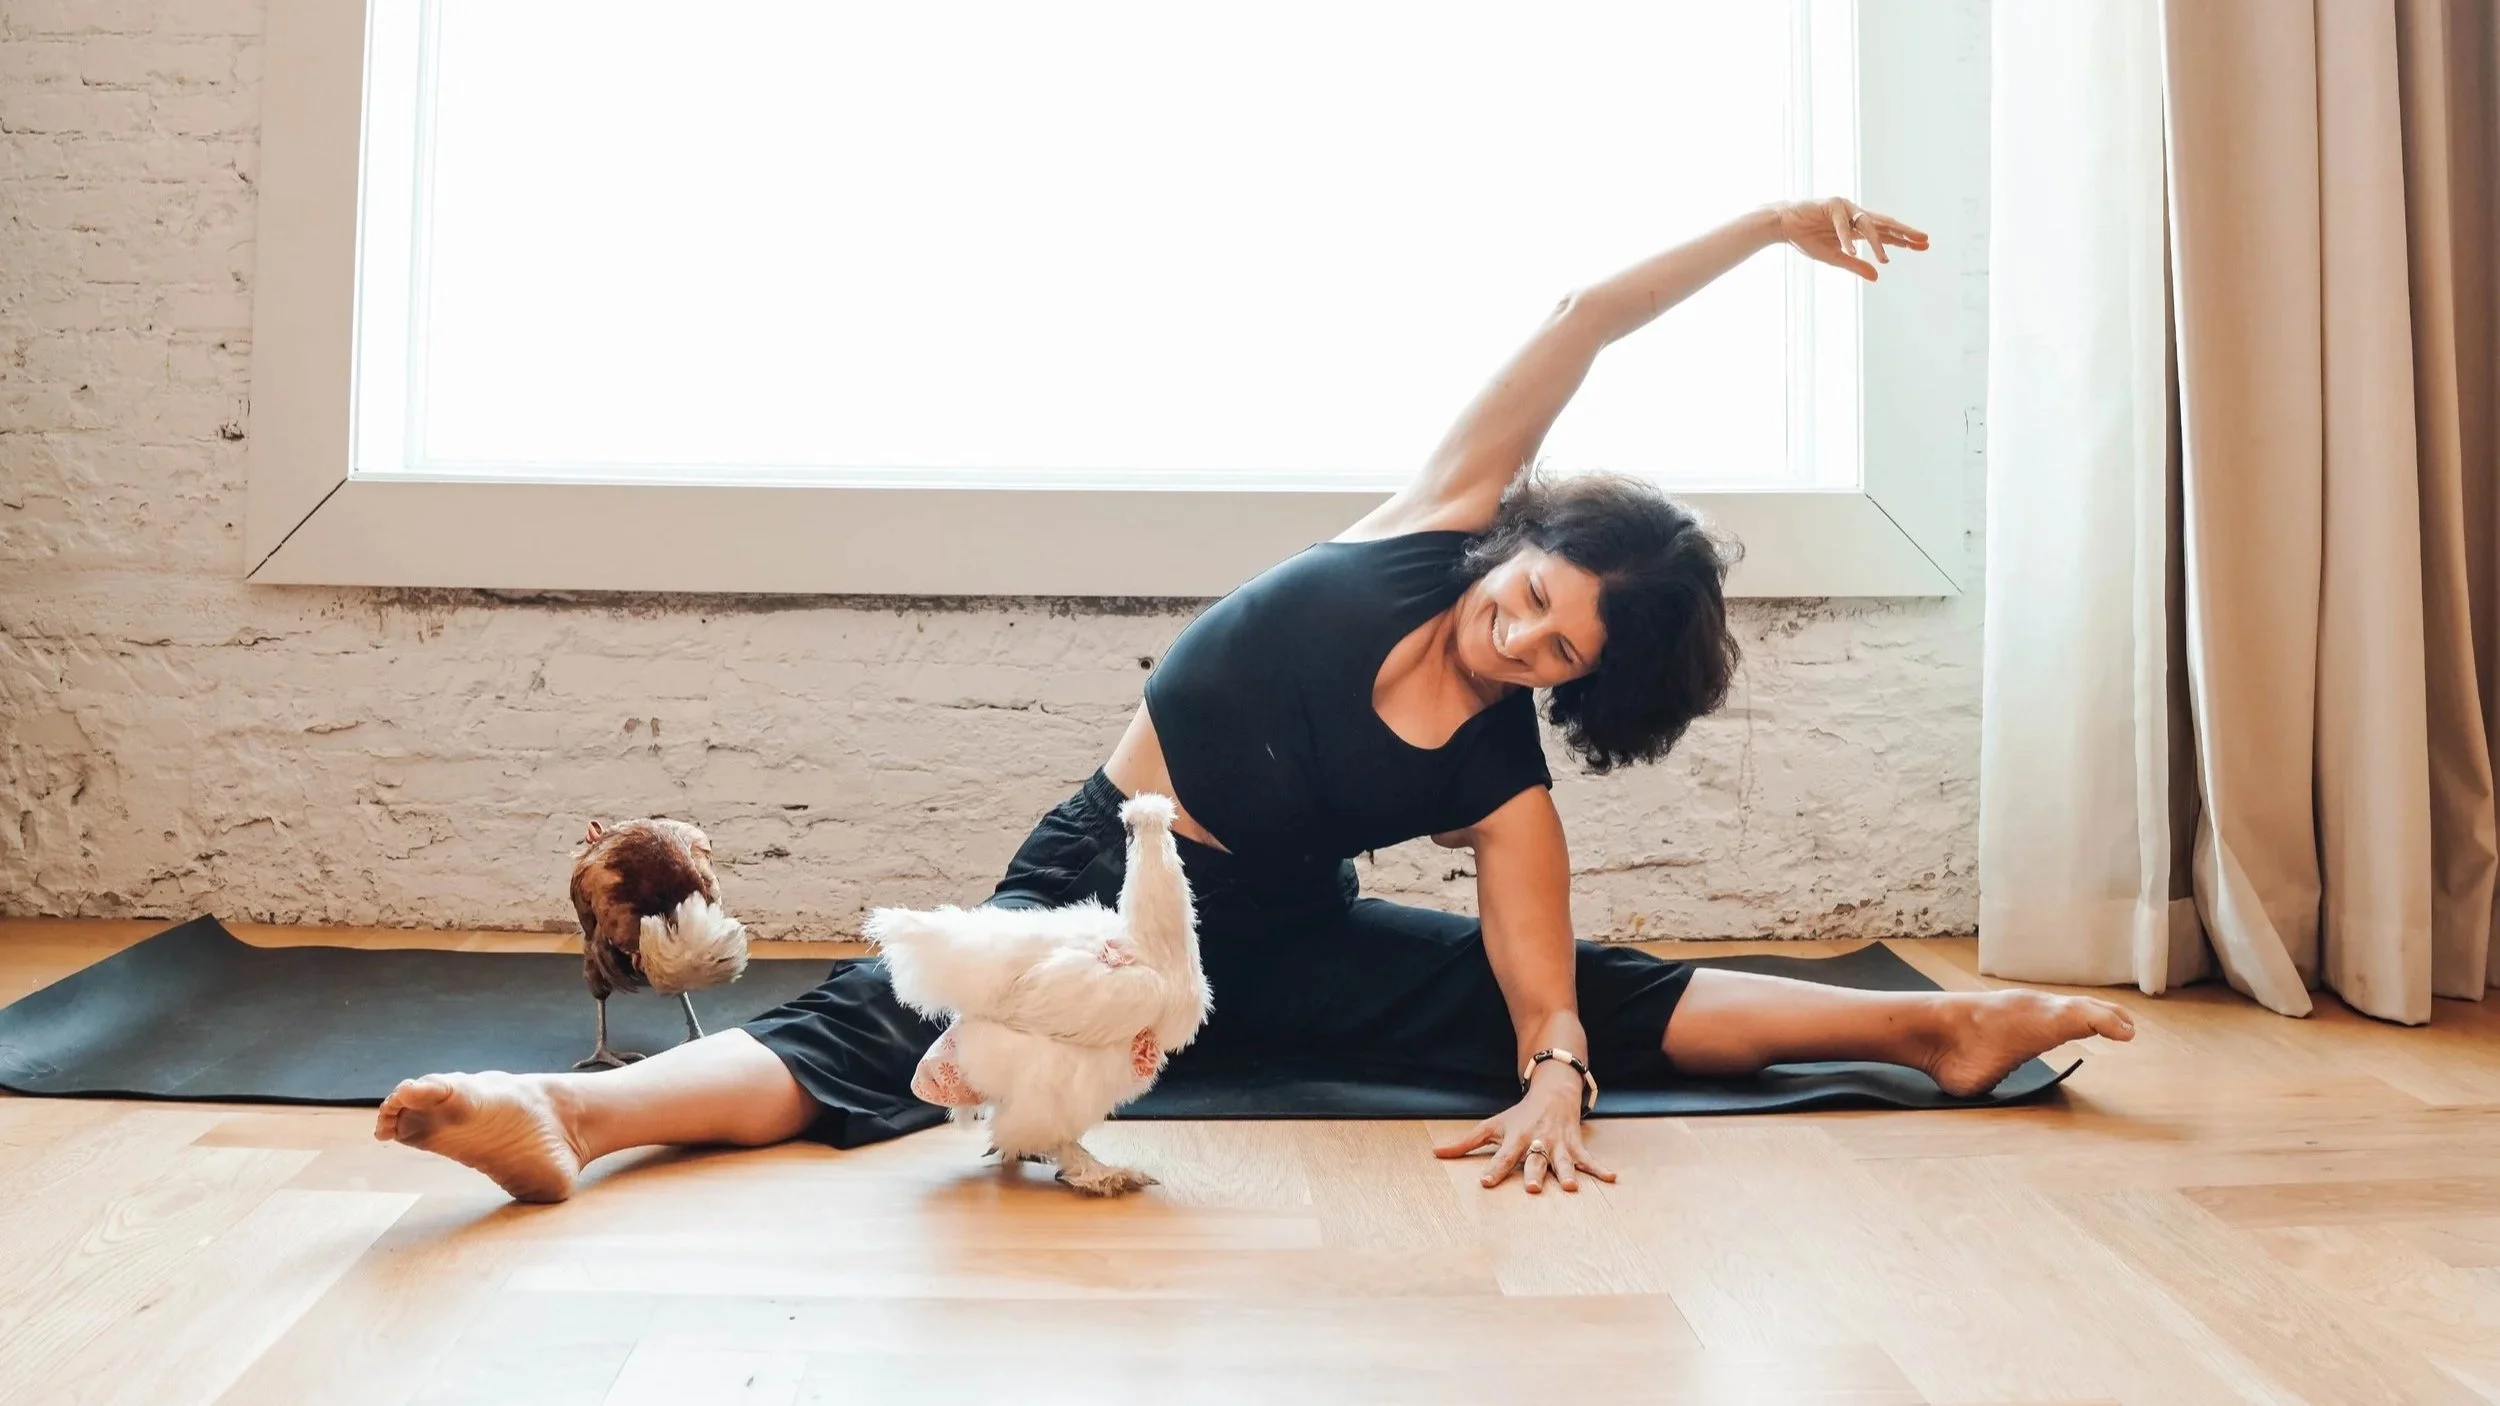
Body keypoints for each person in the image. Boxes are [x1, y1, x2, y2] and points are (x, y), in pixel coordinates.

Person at [375, 197, 2134, 1204]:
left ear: (1583, 690)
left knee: (1602, 995)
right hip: (1108, 886)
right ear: (1517, 540)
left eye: (1560, 654)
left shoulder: (1504, 773)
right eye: (1532, 595)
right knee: (883, 1031)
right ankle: (568, 1118)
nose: (1521, 636)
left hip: (1280, 941)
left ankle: (1935, 1031)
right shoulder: (1431, 522)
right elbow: (1587, 313)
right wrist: (1771, 226)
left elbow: (1544, 978)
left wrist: (1558, 1071)